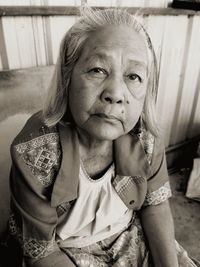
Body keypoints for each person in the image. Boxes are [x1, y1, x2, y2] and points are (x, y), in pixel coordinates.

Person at [4, 7, 199, 267]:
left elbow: (155, 206)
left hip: (128, 236)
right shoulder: (35, 152)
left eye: (133, 76)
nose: (116, 93)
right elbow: (42, 252)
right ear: (67, 77)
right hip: (64, 252)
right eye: (97, 70)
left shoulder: (145, 139)